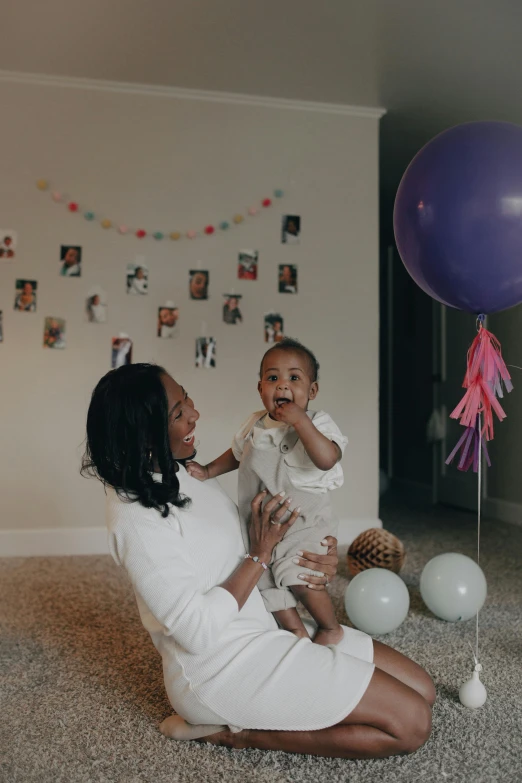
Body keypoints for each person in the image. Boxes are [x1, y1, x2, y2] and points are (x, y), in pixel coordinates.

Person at [81, 363, 434, 758]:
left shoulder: (182, 473)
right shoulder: (134, 518)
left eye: (186, 398)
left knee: (424, 689)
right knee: (411, 723)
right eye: (178, 413)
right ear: (143, 437)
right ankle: (234, 734)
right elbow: (196, 631)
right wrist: (259, 554)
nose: (195, 414)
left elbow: (244, 545)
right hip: (221, 668)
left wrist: (313, 556)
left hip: (271, 625)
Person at [187, 338, 347, 645]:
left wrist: (301, 422)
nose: (283, 386)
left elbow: (327, 459)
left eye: (294, 378)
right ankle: (294, 631)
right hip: (259, 522)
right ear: (260, 388)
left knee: (297, 574)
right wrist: (207, 471)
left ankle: (329, 627)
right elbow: (236, 454)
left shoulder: (318, 423)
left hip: (303, 522)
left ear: (311, 391)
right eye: (273, 378)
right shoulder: (253, 425)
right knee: (266, 581)